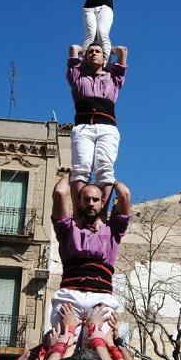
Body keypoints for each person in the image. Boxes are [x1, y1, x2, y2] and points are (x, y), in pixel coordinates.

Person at [50, 172, 131, 333]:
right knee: (63, 345)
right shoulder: (68, 228)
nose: (91, 203)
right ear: (78, 202)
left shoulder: (112, 229)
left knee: (99, 346)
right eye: (86, 199)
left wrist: (109, 177)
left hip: (100, 299)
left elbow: (125, 194)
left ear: (102, 203)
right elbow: (59, 193)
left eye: (95, 200)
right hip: (70, 297)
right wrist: (72, 174)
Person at [67, 42, 127, 209]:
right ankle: (79, 213)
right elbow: (73, 49)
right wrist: (82, 50)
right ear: (85, 57)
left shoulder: (113, 77)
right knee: (80, 169)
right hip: (83, 128)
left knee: (105, 169)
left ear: (104, 58)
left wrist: (108, 49)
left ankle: (101, 213)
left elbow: (122, 51)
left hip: (107, 128)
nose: (93, 53)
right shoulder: (77, 76)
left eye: (97, 51)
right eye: (90, 52)